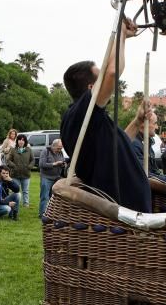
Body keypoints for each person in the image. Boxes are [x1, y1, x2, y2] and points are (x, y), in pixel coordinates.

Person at [59, 18, 152, 212]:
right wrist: (122, 36)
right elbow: (111, 72)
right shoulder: (81, 114)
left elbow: (114, 148)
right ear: (92, 88)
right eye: (99, 76)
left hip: (129, 212)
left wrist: (137, 122)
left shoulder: (90, 120)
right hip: (121, 217)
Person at [39, 138, 67, 218]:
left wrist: (63, 165)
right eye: (58, 148)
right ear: (53, 146)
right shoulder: (45, 152)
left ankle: (51, 214)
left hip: (56, 178)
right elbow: (41, 164)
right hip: (46, 177)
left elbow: (62, 161)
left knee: (54, 197)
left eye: (61, 148)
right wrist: (54, 164)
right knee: (45, 196)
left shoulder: (60, 152)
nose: (60, 149)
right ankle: (42, 214)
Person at [5, 134, 34, 208]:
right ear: (17, 141)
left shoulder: (29, 150)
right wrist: (13, 166)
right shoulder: (13, 150)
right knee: (15, 190)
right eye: (19, 140)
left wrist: (29, 167)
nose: (21, 141)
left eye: (23, 140)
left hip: (26, 174)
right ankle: (14, 203)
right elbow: (8, 160)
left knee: (25, 191)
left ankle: (26, 204)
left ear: (25, 141)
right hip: (15, 174)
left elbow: (33, 160)